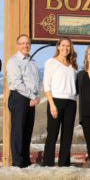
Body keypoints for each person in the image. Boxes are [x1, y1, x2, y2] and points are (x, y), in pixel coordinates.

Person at [42, 36, 78, 167]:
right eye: (63, 45)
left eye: (68, 46)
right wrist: (51, 104)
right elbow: (46, 85)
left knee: (67, 136)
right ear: (58, 47)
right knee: (52, 134)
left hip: (71, 102)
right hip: (56, 101)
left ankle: (64, 165)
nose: (65, 48)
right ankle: (48, 164)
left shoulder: (73, 65)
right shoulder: (51, 62)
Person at [7, 34, 41, 168]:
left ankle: (25, 161)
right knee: (18, 131)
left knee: (27, 130)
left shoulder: (33, 62)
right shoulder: (13, 61)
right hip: (19, 98)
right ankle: (17, 162)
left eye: (27, 43)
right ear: (18, 45)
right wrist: (32, 96)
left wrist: (36, 97)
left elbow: (37, 81)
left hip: (31, 99)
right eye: (22, 43)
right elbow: (17, 83)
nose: (25, 46)